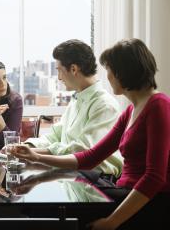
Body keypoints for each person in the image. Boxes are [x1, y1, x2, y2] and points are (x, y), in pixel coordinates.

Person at [11, 38, 170, 230]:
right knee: (51, 196)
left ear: (123, 72)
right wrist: (36, 157)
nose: (108, 76)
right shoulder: (130, 111)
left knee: (45, 209)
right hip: (123, 189)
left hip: (145, 201)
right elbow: (90, 157)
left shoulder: (159, 105)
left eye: (110, 70)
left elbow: (154, 178)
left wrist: (112, 221)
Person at [24, 39, 122, 178]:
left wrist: (36, 154)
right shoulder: (76, 100)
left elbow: (81, 149)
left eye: (59, 71)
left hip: (98, 183)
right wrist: (28, 146)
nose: (58, 78)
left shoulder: (104, 105)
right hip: (73, 177)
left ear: (74, 69)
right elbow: (56, 135)